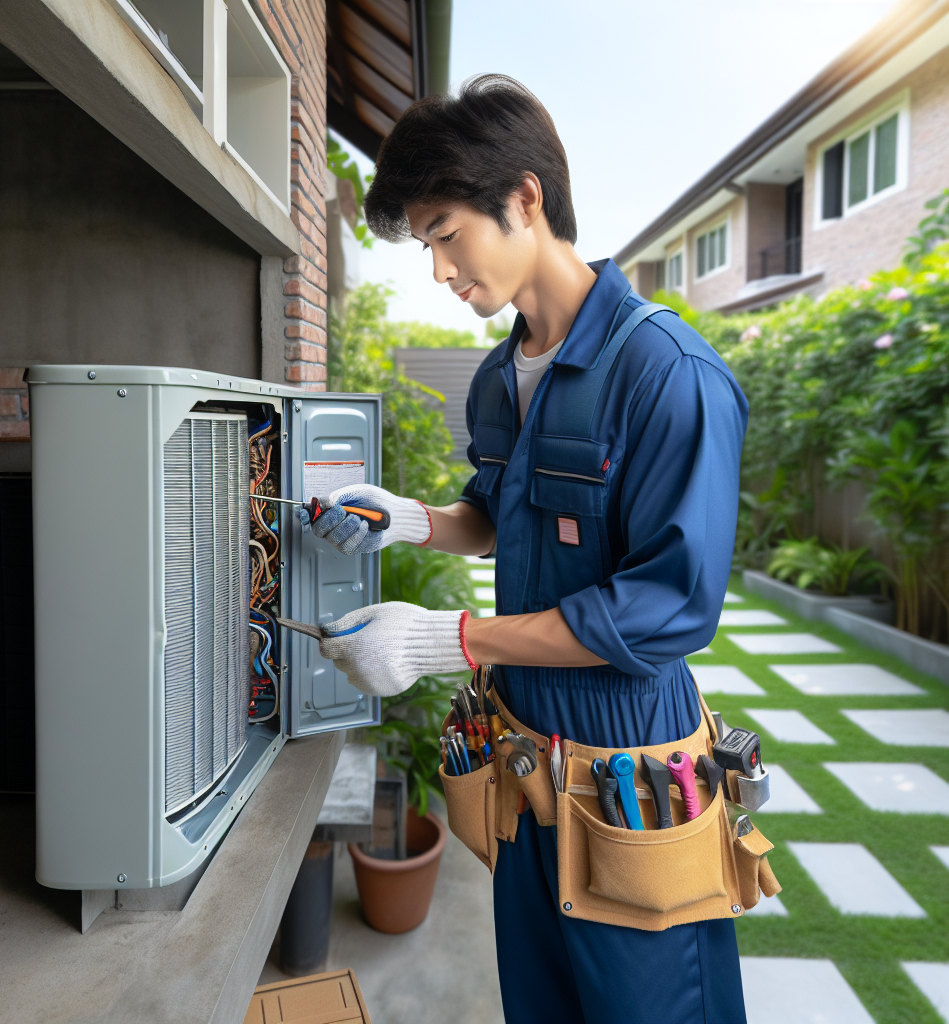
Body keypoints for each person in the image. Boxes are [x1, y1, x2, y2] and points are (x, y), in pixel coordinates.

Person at [305, 75, 749, 1024]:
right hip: (520, 750)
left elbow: (664, 612)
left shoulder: (668, 375)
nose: (437, 269)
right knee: (539, 1004)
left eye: (445, 234)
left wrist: (449, 640)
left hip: (631, 754)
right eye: (425, 245)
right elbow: (501, 513)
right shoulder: (500, 380)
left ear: (525, 198)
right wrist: (411, 517)